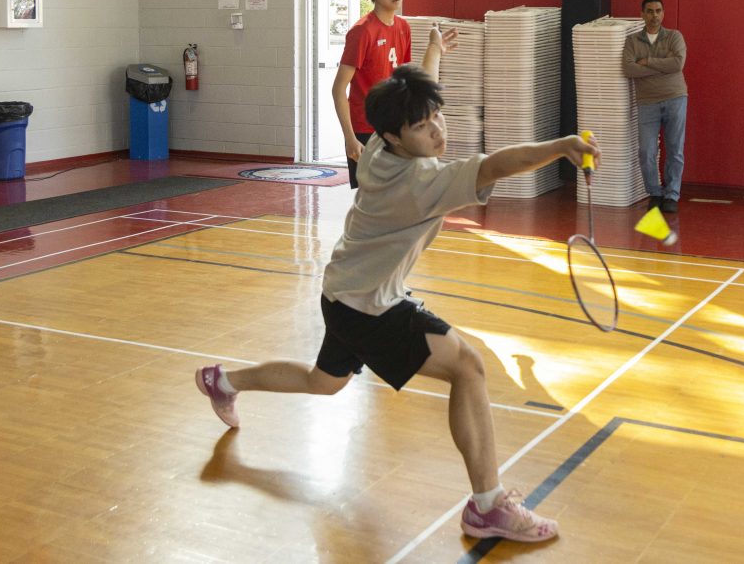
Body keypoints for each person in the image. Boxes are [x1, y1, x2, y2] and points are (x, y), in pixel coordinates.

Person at [197, 64, 599, 543]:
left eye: (437, 116)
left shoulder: (375, 153)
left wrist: (428, 57)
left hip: (342, 293)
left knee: (322, 382)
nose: (436, 130)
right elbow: (495, 166)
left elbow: (411, 109)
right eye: (421, 125)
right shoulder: (420, 182)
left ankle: (223, 382)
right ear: (394, 135)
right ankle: (488, 505)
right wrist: (560, 146)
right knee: (468, 367)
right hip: (370, 306)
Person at [332, 0, 457, 188]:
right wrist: (350, 138)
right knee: (370, 197)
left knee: (400, 192)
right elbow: (338, 89)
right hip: (366, 128)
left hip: (396, 126)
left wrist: (435, 51)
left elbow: (406, 80)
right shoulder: (362, 31)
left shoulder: (403, 27)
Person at [622, 0, 688, 214]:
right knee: (646, 151)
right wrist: (664, 66)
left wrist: (648, 61)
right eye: (649, 11)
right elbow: (629, 69)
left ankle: (672, 195)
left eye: (658, 11)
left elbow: (678, 63)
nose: (654, 15)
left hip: (675, 98)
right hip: (647, 102)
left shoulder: (674, 36)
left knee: (675, 150)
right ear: (642, 14)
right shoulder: (632, 41)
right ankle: (655, 193)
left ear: (663, 13)